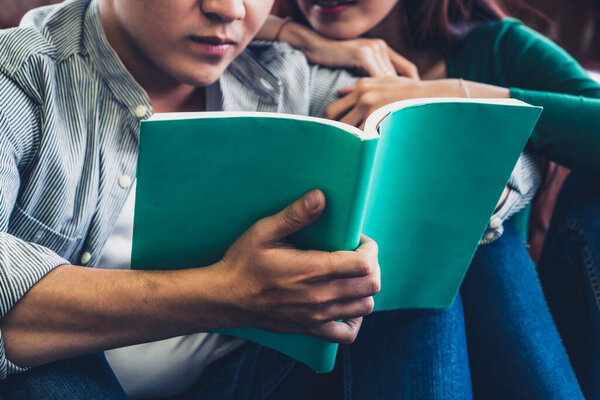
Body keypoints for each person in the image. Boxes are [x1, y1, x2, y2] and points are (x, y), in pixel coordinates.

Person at [258, 0, 600, 398]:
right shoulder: (280, 62)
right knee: (411, 234)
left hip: (510, 311)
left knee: (468, 218)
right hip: (347, 335)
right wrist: (292, 33)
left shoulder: (496, 47)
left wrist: (452, 94)